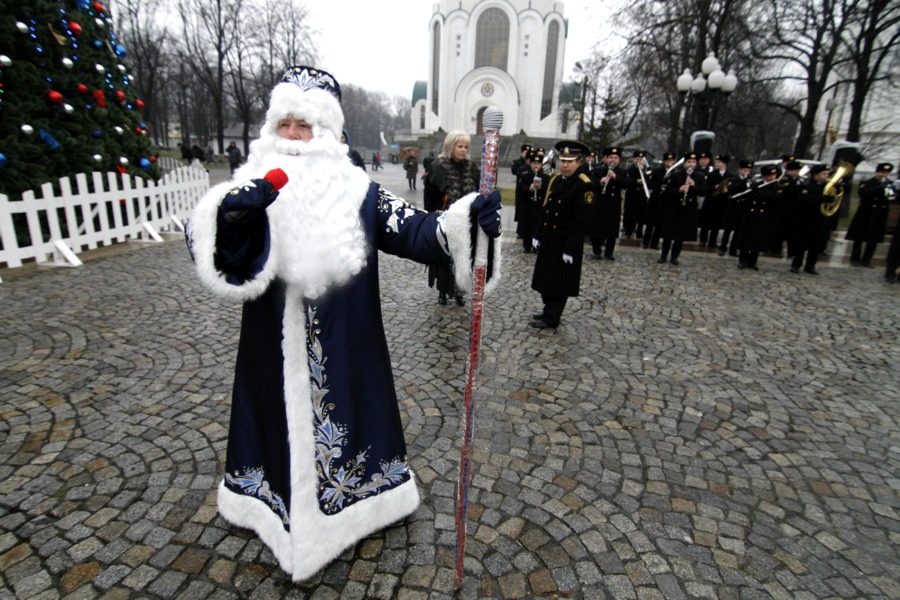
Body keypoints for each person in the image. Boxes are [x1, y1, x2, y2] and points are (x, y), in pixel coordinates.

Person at [185, 65, 501, 582]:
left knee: (350, 417)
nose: (291, 135)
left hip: (346, 347)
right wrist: (231, 220)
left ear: (327, 133)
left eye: (304, 125)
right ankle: (270, 507)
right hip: (270, 351)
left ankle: (359, 504)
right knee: (271, 419)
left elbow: (421, 233)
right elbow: (209, 244)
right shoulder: (247, 184)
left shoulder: (359, 192)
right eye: (284, 123)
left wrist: (469, 221)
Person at [530, 140, 594, 329]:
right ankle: (548, 309)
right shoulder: (557, 179)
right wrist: (538, 233)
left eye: (570, 161)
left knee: (559, 282)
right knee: (546, 278)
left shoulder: (585, 185)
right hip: (550, 238)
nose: (565, 165)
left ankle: (552, 317)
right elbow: (547, 209)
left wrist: (571, 248)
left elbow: (582, 222)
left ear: (579, 162)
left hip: (565, 242)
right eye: (562, 160)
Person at [426, 130, 482, 305]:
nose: (464, 150)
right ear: (451, 146)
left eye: (466, 147)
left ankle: (459, 291)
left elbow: (478, 192)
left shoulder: (471, 168)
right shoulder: (438, 167)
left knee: (464, 257)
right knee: (445, 257)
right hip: (445, 219)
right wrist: (432, 216)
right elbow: (431, 195)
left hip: (467, 221)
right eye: (460, 146)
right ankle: (443, 291)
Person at [658, 151, 704, 265]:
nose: (691, 164)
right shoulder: (676, 174)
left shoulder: (699, 176)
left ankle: (674, 256)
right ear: (684, 163)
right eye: (689, 162)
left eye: (693, 162)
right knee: (668, 233)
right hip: (674, 207)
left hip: (688, 208)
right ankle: (663, 255)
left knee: (680, 235)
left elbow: (704, 191)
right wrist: (679, 190)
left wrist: (694, 186)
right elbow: (667, 189)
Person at [846, 162, 894, 267]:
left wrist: (888, 189)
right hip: (866, 212)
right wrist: (879, 187)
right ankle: (855, 258)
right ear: (877, 172)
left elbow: (891, 198)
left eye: (886, 173)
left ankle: (867, 259)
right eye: (882, 172)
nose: (884, 175)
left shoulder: (889, 184)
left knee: (874, 238)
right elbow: (864, 194)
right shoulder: (867, 182)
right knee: (859, 236)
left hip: (879, 213)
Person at [736, 165, 781, 271]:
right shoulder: (756, 185)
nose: (772, 177)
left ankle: (753, 261)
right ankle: (742, 260)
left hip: (764, 216)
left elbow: (774, 198)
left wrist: (759, 193)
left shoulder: (777, 187)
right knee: (746, 239)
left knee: (758, 240)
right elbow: (747, 199)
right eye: (770, 175)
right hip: (751, 216)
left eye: (774, 175)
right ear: (764, 176)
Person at [790, 163, 831, 275]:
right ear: (815, 175)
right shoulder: (806, 185)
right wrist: (823, 198)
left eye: (827, 173)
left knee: (816, 243)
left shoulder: (828, 186)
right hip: (807, 218)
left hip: (820, 218)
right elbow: (805, 200)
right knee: (802, 243)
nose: (826, 176)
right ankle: (796, 264)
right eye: (824, 174)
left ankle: (810, 265)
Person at [589, 147, 628, 260]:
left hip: (614, 203)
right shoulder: (599, 170)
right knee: (598, 227)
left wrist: (615, 177)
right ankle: (597, 250)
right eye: (610, 157)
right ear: (606, 158)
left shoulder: (622, 172)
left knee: (612, 229)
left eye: (615, 158)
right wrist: (600, 181)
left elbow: (626, 184)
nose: (613, 160)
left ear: (619, 160)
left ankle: (609, 252)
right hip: (600, 202)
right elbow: (591, 182)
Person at [516, 147, 548, 253]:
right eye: (534, 163)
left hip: (539, 204)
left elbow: (548, 189)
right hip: (528, 204)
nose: (536, 166)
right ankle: (527, 244)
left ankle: (536, 245)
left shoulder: (545, 176)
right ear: (530, 164)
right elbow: (520, 187)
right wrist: (528, 188)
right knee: (527, 224)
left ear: (541, 165)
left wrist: (541, 186)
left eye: (538, 164)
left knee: (537, 224)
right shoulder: (526, 175)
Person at [719, 159, 753, 257]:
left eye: (748, 171)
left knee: (738, 231)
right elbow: (730, 190)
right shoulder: (733, 179)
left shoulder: (750, 180)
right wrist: (742, 183)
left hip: (742, 207)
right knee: (727, 230)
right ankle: (722, 248)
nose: (746, 173)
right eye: (744, 170)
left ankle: (733, 249)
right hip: (733, 207)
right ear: (740, 170)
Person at [642, 152, 676, 250]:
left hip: (666, 201)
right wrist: (662, 181)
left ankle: (655, 243)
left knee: (660, 224)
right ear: (664, 161)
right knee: (650, 223)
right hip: (655, 200)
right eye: (668, 161)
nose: (670, 163)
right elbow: (650, 184)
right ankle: (646, 242)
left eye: (671, 161)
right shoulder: (657, 171)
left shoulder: (674, 172)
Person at [698, 155, 733, 248]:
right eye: (716, 162)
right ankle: (703, 240)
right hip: (710, 201)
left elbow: (732, 189)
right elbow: (706, 187)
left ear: (724, 163)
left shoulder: (730, 176)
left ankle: (712, 241)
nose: (716, 164)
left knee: (717, 223)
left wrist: (727, 191)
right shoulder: (712, 174)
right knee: (705, 222)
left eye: (718, 162)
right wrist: (714, 187)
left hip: (721, 203)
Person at [623, 150, 650, 240]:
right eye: (637, 159)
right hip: (632, 194)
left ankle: (639, 232)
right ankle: (628, 231)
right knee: (630, 213)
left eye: (641, 159)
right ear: (634, 159)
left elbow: (649, 178)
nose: (639, 161)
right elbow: (627, 180)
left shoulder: (645, 169)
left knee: (641, 213)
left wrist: (644, 171)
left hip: (642, 195)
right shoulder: (630, 169)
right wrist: (636, 181)